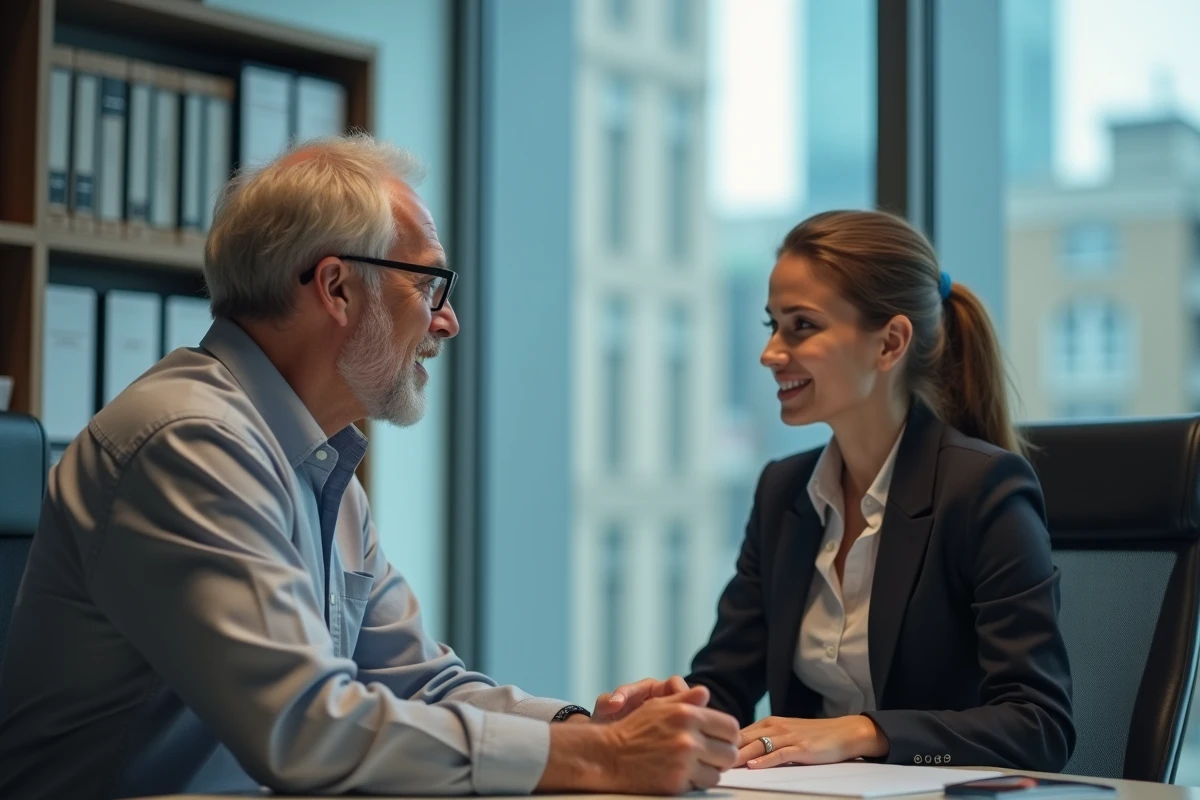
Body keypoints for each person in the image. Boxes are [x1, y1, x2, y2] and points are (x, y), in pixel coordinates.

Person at [0, 135, 739, 799]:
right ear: (338, 287)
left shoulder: (317, 466)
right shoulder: (189, 443)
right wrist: (602, 760)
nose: (446, 320)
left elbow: (418, 681)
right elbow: (306, 728)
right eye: (429, 287)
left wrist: (587, 727)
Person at [679, 210, 1075, 772]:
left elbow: (1039, 727)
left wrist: (865, 733)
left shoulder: (982, 490)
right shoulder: (783, 492)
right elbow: (724, 682)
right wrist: (669, 715)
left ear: (889, 343)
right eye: (773, 325)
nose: (771, 354)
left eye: (802, 326)